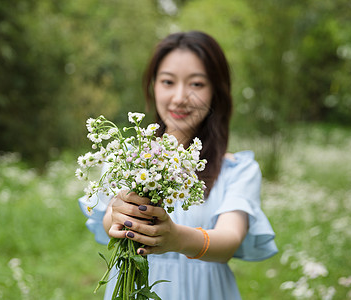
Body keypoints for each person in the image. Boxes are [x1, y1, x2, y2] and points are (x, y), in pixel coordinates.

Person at [79, 31, 278, 300]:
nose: (180, 97)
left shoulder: (237, 169)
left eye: (196, 84)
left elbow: (229, 240)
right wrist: (116, 218)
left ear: (217, 91)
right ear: (153, 86)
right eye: (168, 81)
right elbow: (110, 216)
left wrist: (176, 239)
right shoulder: (129, 157)